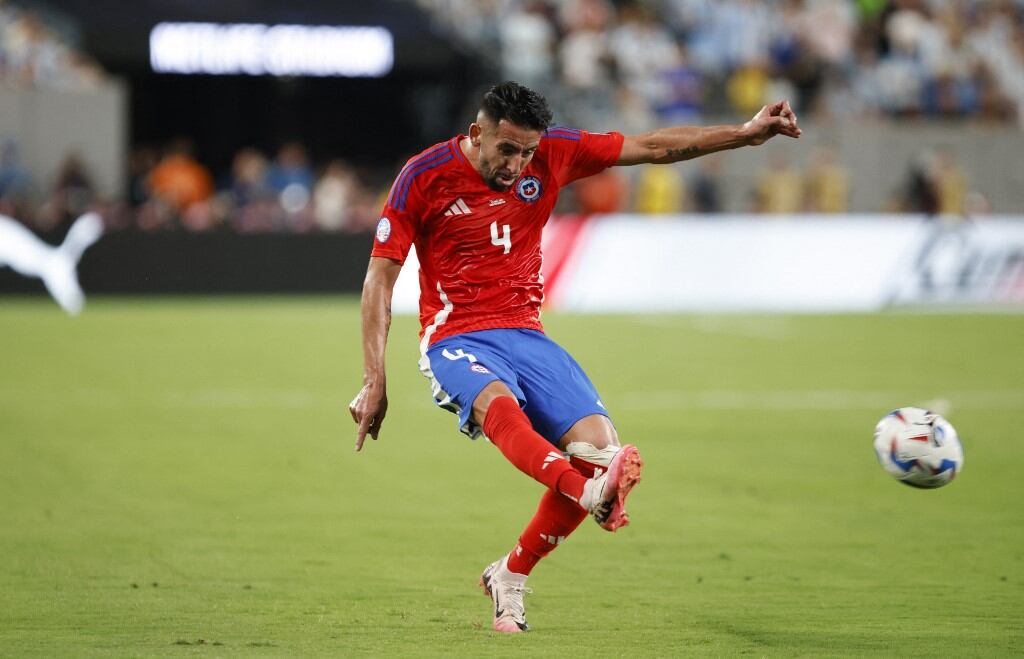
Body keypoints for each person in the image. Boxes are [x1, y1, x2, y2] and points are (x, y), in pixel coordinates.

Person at [349, 81, 800, 633]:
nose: (518, 164)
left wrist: (745, 134)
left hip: (527, 335)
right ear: (476, 134)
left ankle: (510, 576)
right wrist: (376, 378)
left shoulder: (556, 151)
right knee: (509, 413)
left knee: (600, 446)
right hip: (456, 337)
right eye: (506, 150)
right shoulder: (423, 175)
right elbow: (380, 276)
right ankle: (588, 492)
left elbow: (655, 147)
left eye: (527, 153)